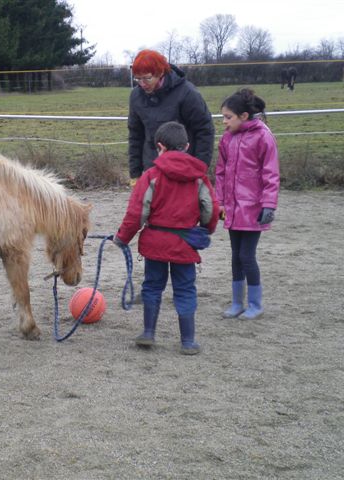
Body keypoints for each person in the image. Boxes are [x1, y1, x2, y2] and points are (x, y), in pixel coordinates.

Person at [114, 121, 219, 355]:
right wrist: (205, 230)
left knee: (152, 286)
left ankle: (149, 333)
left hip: (155, 245)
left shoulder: (151, 176)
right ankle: (188, 341)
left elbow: (136, 212)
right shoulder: (199, 178)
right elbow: (210, 209)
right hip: (184, 245)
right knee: (185, 289)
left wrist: (122, 238)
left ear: (159, 147)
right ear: (187, 146)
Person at [215, 88, 280, 320]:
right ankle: (236, 302)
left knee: (246, 256)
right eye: (222, 116)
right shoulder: (226, 139)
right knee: (235, 256)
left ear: (243, 116)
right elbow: (220, 173)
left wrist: (269, 205)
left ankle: (255, 304)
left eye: (228, 117)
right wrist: (220, 202)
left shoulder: (263, 136)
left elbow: (271, 173)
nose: (223, 122)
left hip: (253, 209)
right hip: (232, 209)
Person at [128, 49, 215, 185]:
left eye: (147, 78)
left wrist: (200, 168)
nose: (142, 83)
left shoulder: (187, 93)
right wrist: (135, 173)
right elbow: (135, 134)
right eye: (138, 78)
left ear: (160, 73)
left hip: (183, 170)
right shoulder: (136, 97)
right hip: (152, 170)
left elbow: (204, 130)